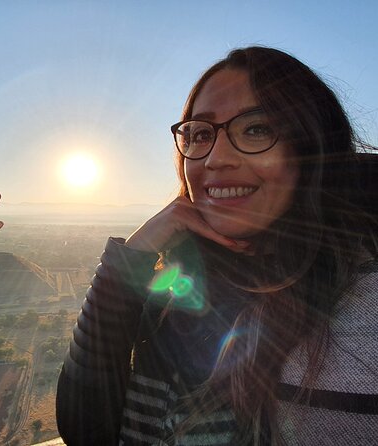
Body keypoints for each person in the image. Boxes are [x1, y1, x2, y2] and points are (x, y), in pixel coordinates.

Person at [56, 46, 378, 446]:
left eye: (257, 128)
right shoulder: (183, 287)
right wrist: (128, 264)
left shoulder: (359, 307)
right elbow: (85, 430)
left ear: (312, 148)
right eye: (201, 134)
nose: (216, 159)